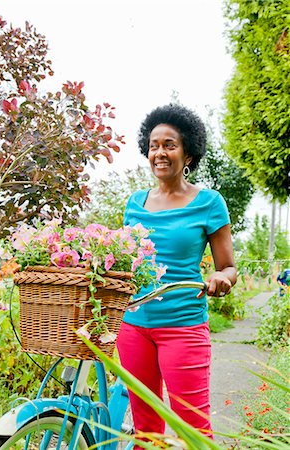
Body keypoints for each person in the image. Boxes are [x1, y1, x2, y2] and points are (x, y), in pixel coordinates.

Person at [117, 104, 237, 443]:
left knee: (192, 427)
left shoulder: (209, 203)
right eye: (154, 145)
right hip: (134, 326)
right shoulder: (134, 203)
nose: (160, 152)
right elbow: (123, 261)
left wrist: (221, 279)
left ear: (188, 153)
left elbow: (228, 267)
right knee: (146, 427)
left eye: (170, 144)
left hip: (183, 326)